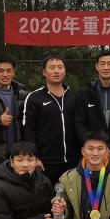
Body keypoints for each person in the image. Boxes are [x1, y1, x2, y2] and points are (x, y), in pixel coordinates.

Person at [22, 54, 80, 184]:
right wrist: (34, 157)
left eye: (60, 67)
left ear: (65, 71)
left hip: (74, 162)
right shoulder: (34, 97)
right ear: (44, 72)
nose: (56, 71)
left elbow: (81, 126)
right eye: (52, 67)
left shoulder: (75, 96)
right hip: (45, 163)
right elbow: (29, 130)